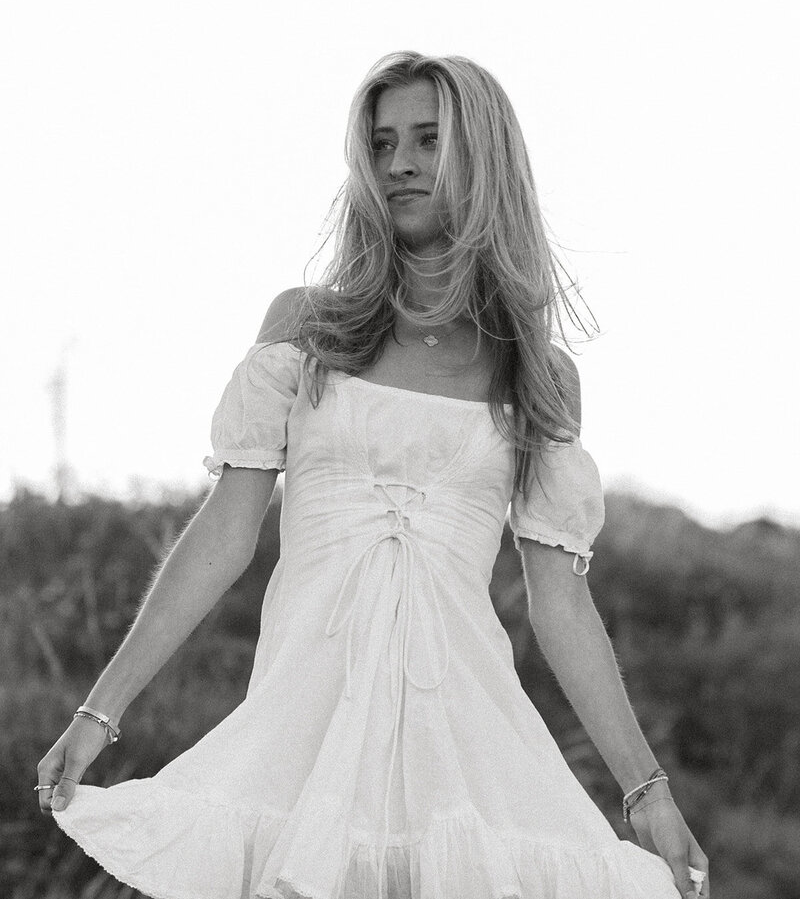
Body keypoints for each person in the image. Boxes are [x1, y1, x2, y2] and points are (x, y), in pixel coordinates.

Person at [37, 51, 710, 899]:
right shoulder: (306, 328)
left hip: (463, 754)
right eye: (383, 142)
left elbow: (562, 603)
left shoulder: (535, 375)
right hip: (300, 740)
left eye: (428, 139)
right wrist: (101, 710)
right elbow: (223, 535)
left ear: (483, 156)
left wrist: (647, 792)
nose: (399, 164)